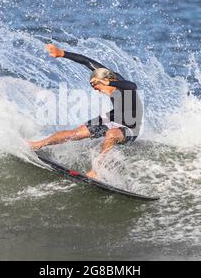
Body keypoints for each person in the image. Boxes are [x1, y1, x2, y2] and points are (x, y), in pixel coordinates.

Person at [29, 44, 142, 178]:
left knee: (111, 134)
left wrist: (109, 84)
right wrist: (62, 53)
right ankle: (39, 144)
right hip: (114, 116)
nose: (95, 89)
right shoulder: (104, 73)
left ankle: (96, 171)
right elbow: (86, 61)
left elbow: (132, 85)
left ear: (107, 80)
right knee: (77, 133)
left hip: (131, 126)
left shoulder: (122, 85)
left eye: (96, 85)